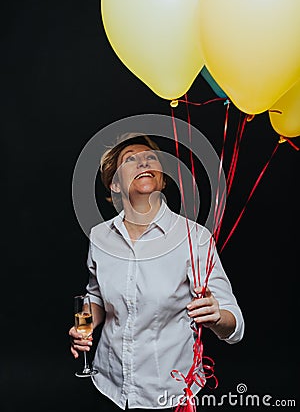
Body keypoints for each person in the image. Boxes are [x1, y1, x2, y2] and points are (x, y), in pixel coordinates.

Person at [69, 133, 244, 411]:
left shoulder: (195, 237)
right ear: (115, 183)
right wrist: (87, 324)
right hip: (109, 385)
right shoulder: (100, 236)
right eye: (131, 160)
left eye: (151, 158)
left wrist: (216, 316)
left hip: (170, 394)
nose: (144, 162)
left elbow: (235, 327)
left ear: (161, 179)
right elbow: (96, 296)